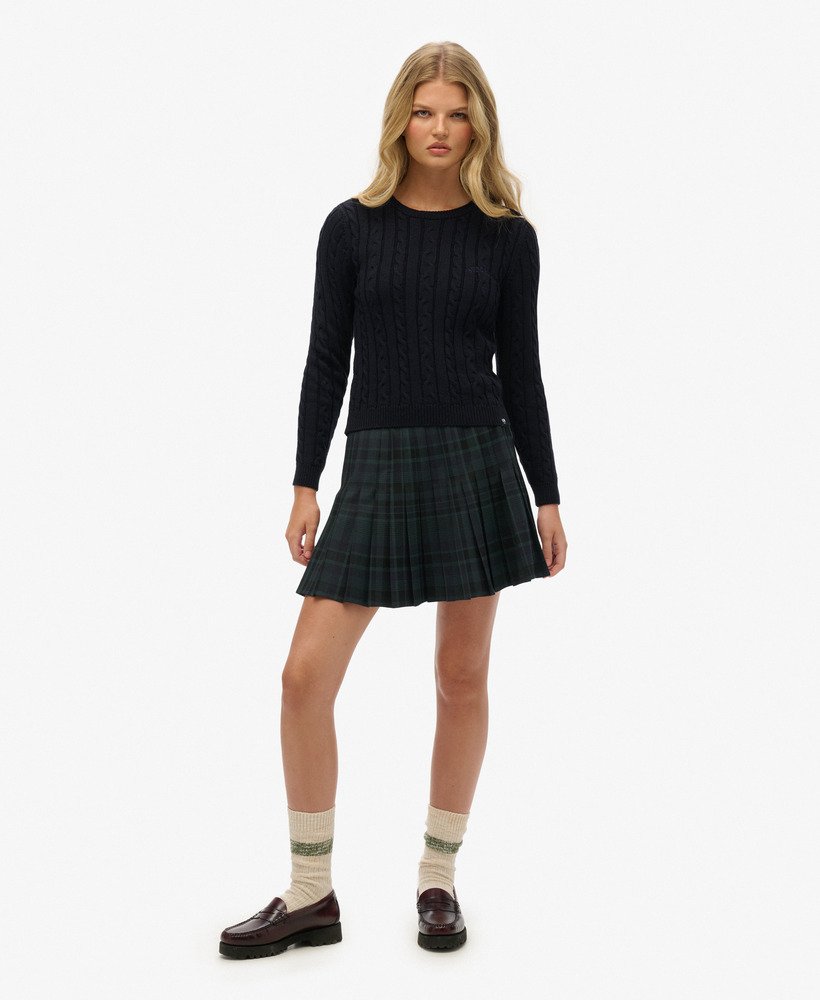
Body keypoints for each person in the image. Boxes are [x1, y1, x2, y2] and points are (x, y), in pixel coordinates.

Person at [219, 40, 568, 959]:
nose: (440, 129)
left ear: (478, 124)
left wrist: (548, 494)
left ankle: (438, 879)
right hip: (374, 463)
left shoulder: (508, 238)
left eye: (457, 113)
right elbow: (324, 360)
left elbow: (523, 372)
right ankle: (310, 892)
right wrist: (306, 482)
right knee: (303, 678)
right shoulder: (351, 227)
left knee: (461, 678)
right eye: (424, 112)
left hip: (475, 461)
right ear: (400, 120)